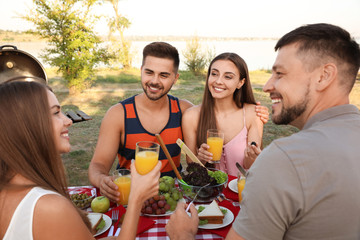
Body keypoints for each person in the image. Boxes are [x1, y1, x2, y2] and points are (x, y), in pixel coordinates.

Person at [166, 23, 360, 239]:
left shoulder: (284, 158)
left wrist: (182, 236)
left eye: (280, 73)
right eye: (214, 74)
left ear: (324, 76)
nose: (267, 86)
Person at [88, 42, 269, 203]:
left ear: (175, 78)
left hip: (172, 198)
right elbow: (97, 166)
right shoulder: (118, 114)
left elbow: (195, 160)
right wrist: (101, 180)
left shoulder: (183, 110)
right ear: (141, 70)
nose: (154, 81)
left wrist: (256, 112)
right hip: (130, 198)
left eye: (164, 75)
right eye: (149, 72)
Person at [0, 81, 161, 240]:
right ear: (27, 126)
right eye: (56, 113)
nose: (68, 121)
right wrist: (136, 199)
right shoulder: (49, 208)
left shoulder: (10, 189)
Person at [182, 52, 265, 175]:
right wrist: (201, 159)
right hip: (208, 192)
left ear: (240, 83)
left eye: (228, 77)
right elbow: (192, 166)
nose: (218, 81)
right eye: (214, 74)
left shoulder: (253, 114)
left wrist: (252, 157)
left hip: (241, 191)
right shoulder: (191, 116)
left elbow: (249, 166)